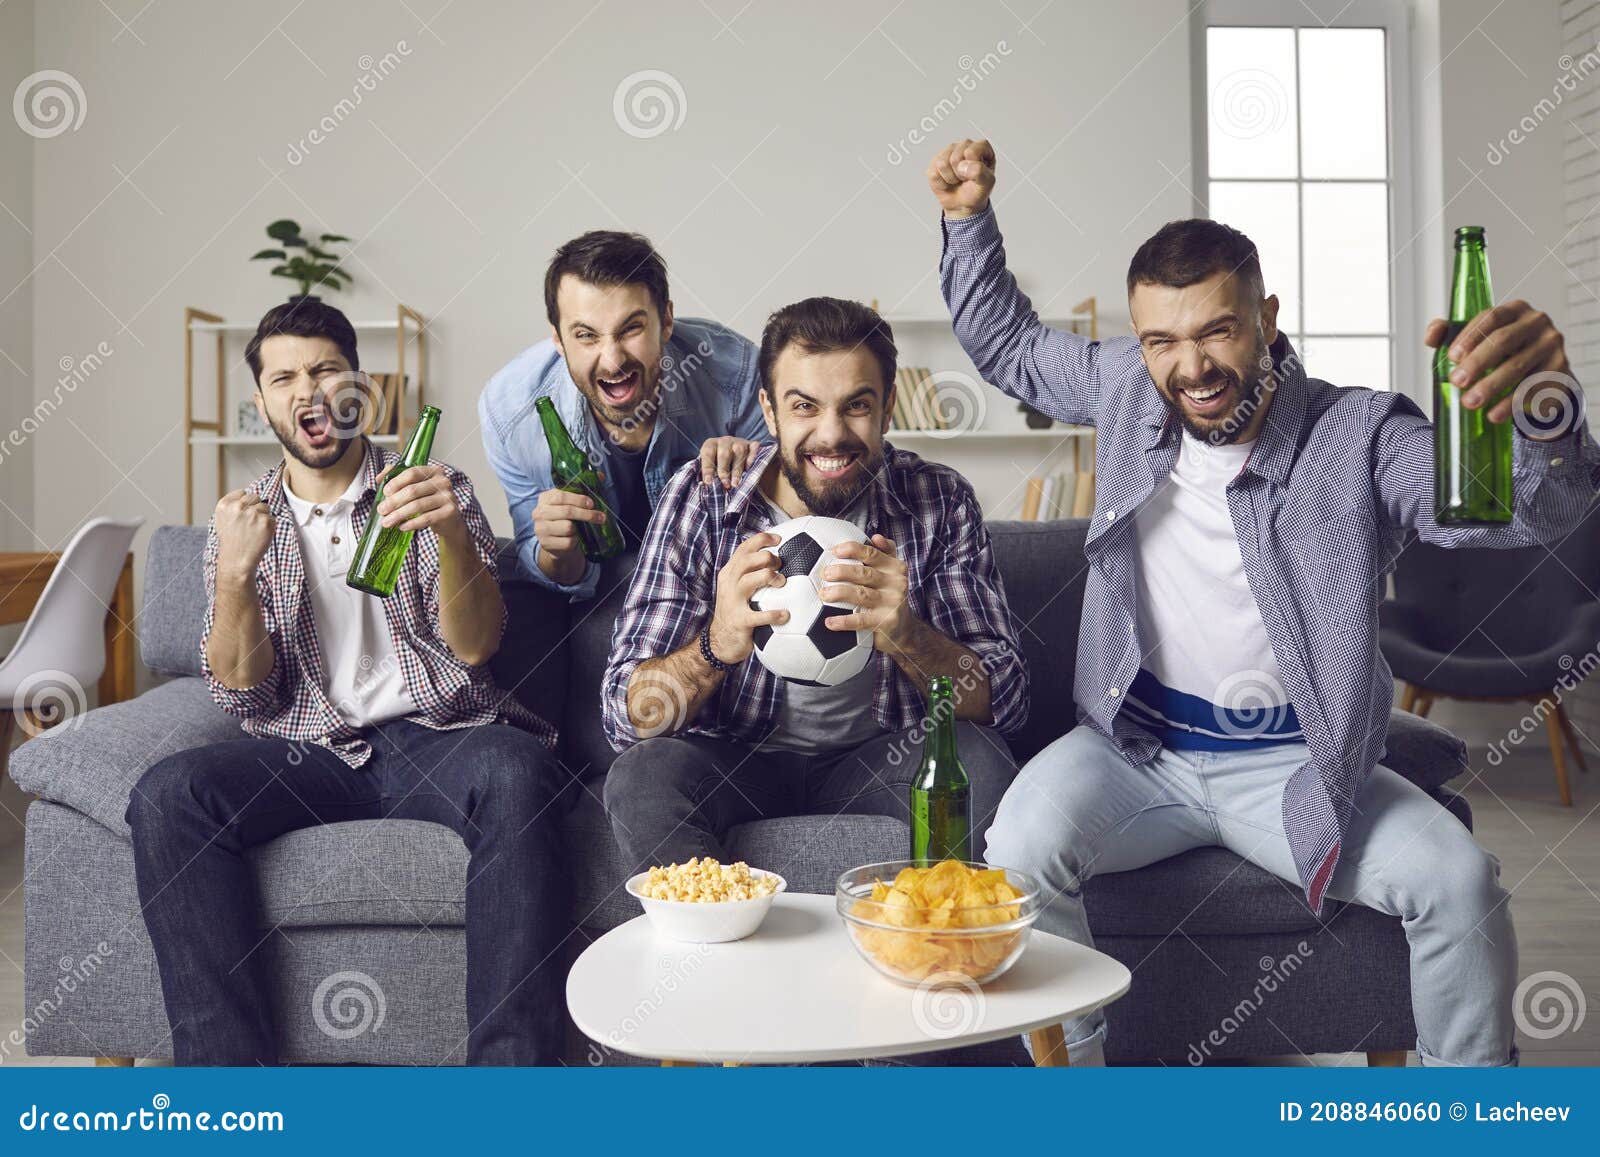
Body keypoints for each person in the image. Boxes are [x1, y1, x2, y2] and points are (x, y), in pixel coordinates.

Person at [929, 137, 1599, 1068]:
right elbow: (1008, 344)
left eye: (1217, 331)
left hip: (1295, 769)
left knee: (1460, 881)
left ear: (1267, 318)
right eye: (1163, 340)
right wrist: (967, 220)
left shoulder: (1361, 431)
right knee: (1020, 847)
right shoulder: (1128, 386)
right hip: (1138, 755)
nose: (1191, 366)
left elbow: (1520, 515)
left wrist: (1546, 408)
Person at [126, 301, 569, 1066]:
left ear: (360, 386)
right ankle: (232, 1090)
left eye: (327, 369)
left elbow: (476, 647)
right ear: (262, 401)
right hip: (310, 750)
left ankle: (510, 1085)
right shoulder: (241, 520)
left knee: (518, 769)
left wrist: (455, 536)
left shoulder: (427, 486)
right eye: (285, 377)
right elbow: (244, 693)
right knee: (167, 794)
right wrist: (235, 573)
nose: (310, 390)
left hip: (436, 735)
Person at [600, 296, 1028, 872]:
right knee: (642, 775)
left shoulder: (937, 499)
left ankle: (937, 945)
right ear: (769, 412)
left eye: (856, 406)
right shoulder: (702, 498)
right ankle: (715, 949)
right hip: (737, 759)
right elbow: (627, 716)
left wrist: (907, 635)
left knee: (980, 762)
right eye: (804, 407)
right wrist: (716, 644)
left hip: (880, 758)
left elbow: (1005, 700)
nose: (831, 436)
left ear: (888, 408)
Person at [480, 229, 768, 600]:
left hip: (711, 578)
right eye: (586, 335)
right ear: (558, 339)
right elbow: (554, 573)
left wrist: (755, 468)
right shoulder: (510, 411)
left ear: (666, 321)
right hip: (598, 588)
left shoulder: (739, 375)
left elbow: (781, 523)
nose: (613, 361)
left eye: (631, 328)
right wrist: (556, 552)